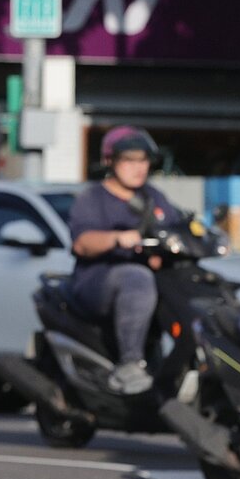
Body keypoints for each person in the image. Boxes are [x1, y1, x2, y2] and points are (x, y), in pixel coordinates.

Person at [67, 126, 180, 394]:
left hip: (148, 277)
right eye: (129, 160)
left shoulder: (153, 196)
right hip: (97, 281)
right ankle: (130, 362)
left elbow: (175, 226)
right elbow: (82, 243)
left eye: (143, 160)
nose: (138, 167)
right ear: (110, 161)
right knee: (136, 277)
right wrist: (117, 238)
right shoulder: (93, 197)